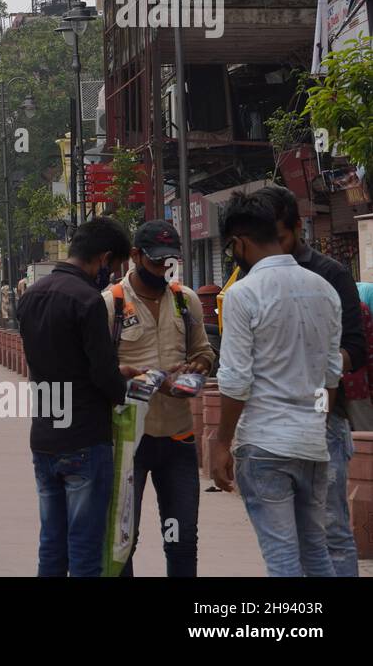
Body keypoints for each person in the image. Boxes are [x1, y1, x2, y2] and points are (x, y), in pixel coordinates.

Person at [212, 191, 342, 577]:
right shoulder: (325, 289)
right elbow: (330, 376)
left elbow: (235, 379)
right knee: (316, 552)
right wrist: (314, 421)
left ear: (239, 242)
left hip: (265, 445)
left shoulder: (242, 294)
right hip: (312, 445)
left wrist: (221, 443)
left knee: (283, 559)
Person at [17, 216, 137, 577]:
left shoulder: (30, 297)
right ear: (103, 258)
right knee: (85, 548)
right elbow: (101, 374)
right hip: (84, 439)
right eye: (113, 266)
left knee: (51, 545)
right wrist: (125, 388)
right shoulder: (88, 301)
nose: (112, 274)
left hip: (45, 436)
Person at [252, 183, 362, 575]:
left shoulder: (328, 274)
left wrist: (318, 375)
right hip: (273, 427)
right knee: (288, 540)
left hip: (323, 417)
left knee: (330, 529)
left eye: (280, 238)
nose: (274, 249)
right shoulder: (254, 274)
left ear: (298, 228)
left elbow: (355, 348)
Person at [102, 220, 216, 577]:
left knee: (180, 537)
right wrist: (131, 376)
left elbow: (205, 353)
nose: (163, 270)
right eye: (155, 262)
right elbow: (98, 371)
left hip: (178, 439)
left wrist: (198, 366)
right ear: (135, 256)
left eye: (169, 262)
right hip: (128, 442)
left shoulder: (186, 300)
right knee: (124, 539)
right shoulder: (112, 305)